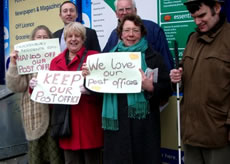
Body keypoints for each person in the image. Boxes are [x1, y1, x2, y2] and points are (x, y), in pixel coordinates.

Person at [83, 14, 172, 164]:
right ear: (120, 34)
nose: (131, 35)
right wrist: (88, 78)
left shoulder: (153, 57)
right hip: (116, 128)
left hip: (144, 128)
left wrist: (151, 87)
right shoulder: (106, 59)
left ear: (142, 33)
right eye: (127, 30)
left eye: (135, 30)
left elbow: (166, 90)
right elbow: (95, 90)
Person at [170, 0, 230, 163]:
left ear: (217, 8)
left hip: (218, 135)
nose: (197, 22)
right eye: (193, 17)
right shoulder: (192, 38)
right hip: (190, 134)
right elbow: (186, 75)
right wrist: (176, 77)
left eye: (202, 15)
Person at [6, 25, 64, 164]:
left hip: (54, 114)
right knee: (36, 155)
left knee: (55, 154)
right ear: (33, 39)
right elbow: (16, 86)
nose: (42, 40)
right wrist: (13, 64)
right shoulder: (25, 59)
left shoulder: (58, 57)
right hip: (34, 113)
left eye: (45, 37)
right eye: (39, 37)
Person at [50, 22, 103, 164]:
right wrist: (36, 87)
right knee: (70, 161)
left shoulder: (95, 58)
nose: (73, 39)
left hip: (89, 120)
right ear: (65, 39)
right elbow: (48, 94)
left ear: (83, 39)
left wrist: (91, 85)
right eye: (69, 36)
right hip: (66, 122)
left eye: (77, 36)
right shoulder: (55, 62)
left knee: (92, 160)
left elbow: (106, 87)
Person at [103, 0, 174, 70]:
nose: (124, 12)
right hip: (121, 79)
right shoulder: (114, 34)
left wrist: (169, 77)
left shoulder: (153, 28)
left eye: (128, 9)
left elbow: (165, 58)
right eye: (121, 10)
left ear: (135, 10)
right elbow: (104, 58)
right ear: (116, 13)